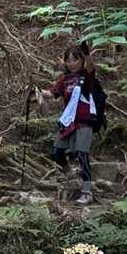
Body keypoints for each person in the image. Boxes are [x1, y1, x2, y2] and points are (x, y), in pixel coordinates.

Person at [36, 46, 104, 204]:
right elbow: (52, 94)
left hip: (85, 121)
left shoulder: (87, 76)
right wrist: (38, 91)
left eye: (75, 60)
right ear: (65, 62)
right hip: (68, 122)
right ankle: (69, 173)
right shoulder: (65, 80)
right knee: (57, 152)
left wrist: (87, 54)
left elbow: (90, 66)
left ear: (81, 60)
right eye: (69, 60)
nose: (72, 63)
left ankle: (87, 192)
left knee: (82, 154)